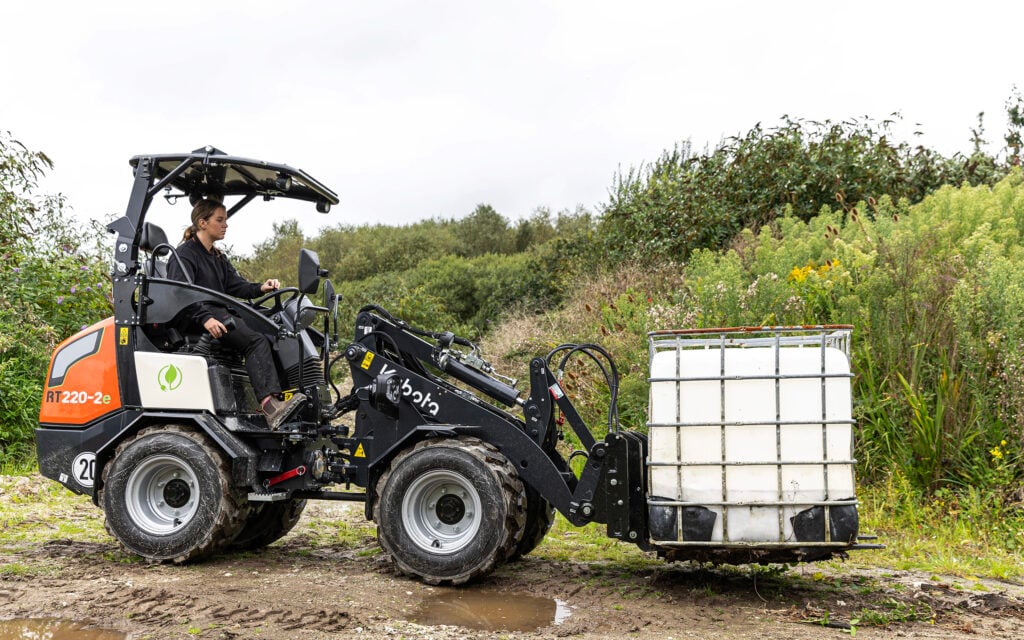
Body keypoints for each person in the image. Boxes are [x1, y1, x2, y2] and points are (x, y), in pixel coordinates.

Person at [166, 198, 305, 430]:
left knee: (272, 334)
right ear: (202, 222)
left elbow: (236, 286)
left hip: (218, 313)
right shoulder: (185, 255)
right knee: (255, 342)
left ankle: (284, 399)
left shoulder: (217, 257)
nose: (225, 225)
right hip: (199, 317)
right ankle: (270, 406)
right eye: (219, 220)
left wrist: (262, 287)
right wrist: (205, 319)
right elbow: (180, 293)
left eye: (225, 220)